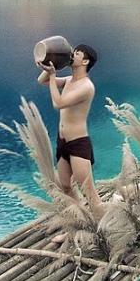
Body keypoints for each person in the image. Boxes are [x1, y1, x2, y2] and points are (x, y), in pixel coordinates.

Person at [39, 42, 103, 214]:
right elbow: (42, 81)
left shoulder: (86, 87)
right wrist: (49, 67)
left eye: (78, 53)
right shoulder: (68, 80)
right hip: (62, 141)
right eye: (73, 51)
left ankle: (108, 231)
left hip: (78, 142)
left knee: (89, 193)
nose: (72, 54)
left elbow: (58, 103)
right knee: (66, 186)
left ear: (85, 62)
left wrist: (53, 77)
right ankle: (82, 220)